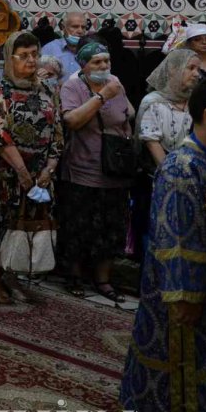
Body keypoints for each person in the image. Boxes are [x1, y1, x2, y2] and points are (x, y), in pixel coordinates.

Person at [120, 77, 206, 412]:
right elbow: (176, 238)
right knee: (182, 365)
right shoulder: (182, 167)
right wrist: (185, 297)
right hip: (185, 295)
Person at [0, 32, 64, 304]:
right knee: (1, 224)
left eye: (35, 54)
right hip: (7, 172)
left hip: (41, 173)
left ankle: (13, 276)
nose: (31, 60)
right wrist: (21, 171)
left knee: (27, 224)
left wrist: (49, 168)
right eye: (24, 55)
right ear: (10, 58)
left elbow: (57, 130)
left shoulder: (48, 89)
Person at [59, 40, 134, 302]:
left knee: (111, 228)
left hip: (115, 169)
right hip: (83, 169)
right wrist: (102, 97)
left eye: (106, 60)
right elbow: (72, 120)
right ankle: (74, 276)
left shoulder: (115, 82)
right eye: (97, 62)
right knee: (79, 226)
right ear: (84, 65)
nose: (103, 66)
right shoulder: (73, 86)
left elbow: (128, 112)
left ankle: (103, 280)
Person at [138, 49, 200, 167]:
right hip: (164, 171)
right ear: (173, 69)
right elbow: (152, 143)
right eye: (191, 68)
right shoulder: (154, 103)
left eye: (198, 69)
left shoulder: (196, 101)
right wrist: (171, 173)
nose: (196, 74)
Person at [40, 11, 89, 80]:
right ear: (63, 27)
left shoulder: (90, 50)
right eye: (75, 27)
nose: (80, 31)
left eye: (83, 27)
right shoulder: (49, 49)